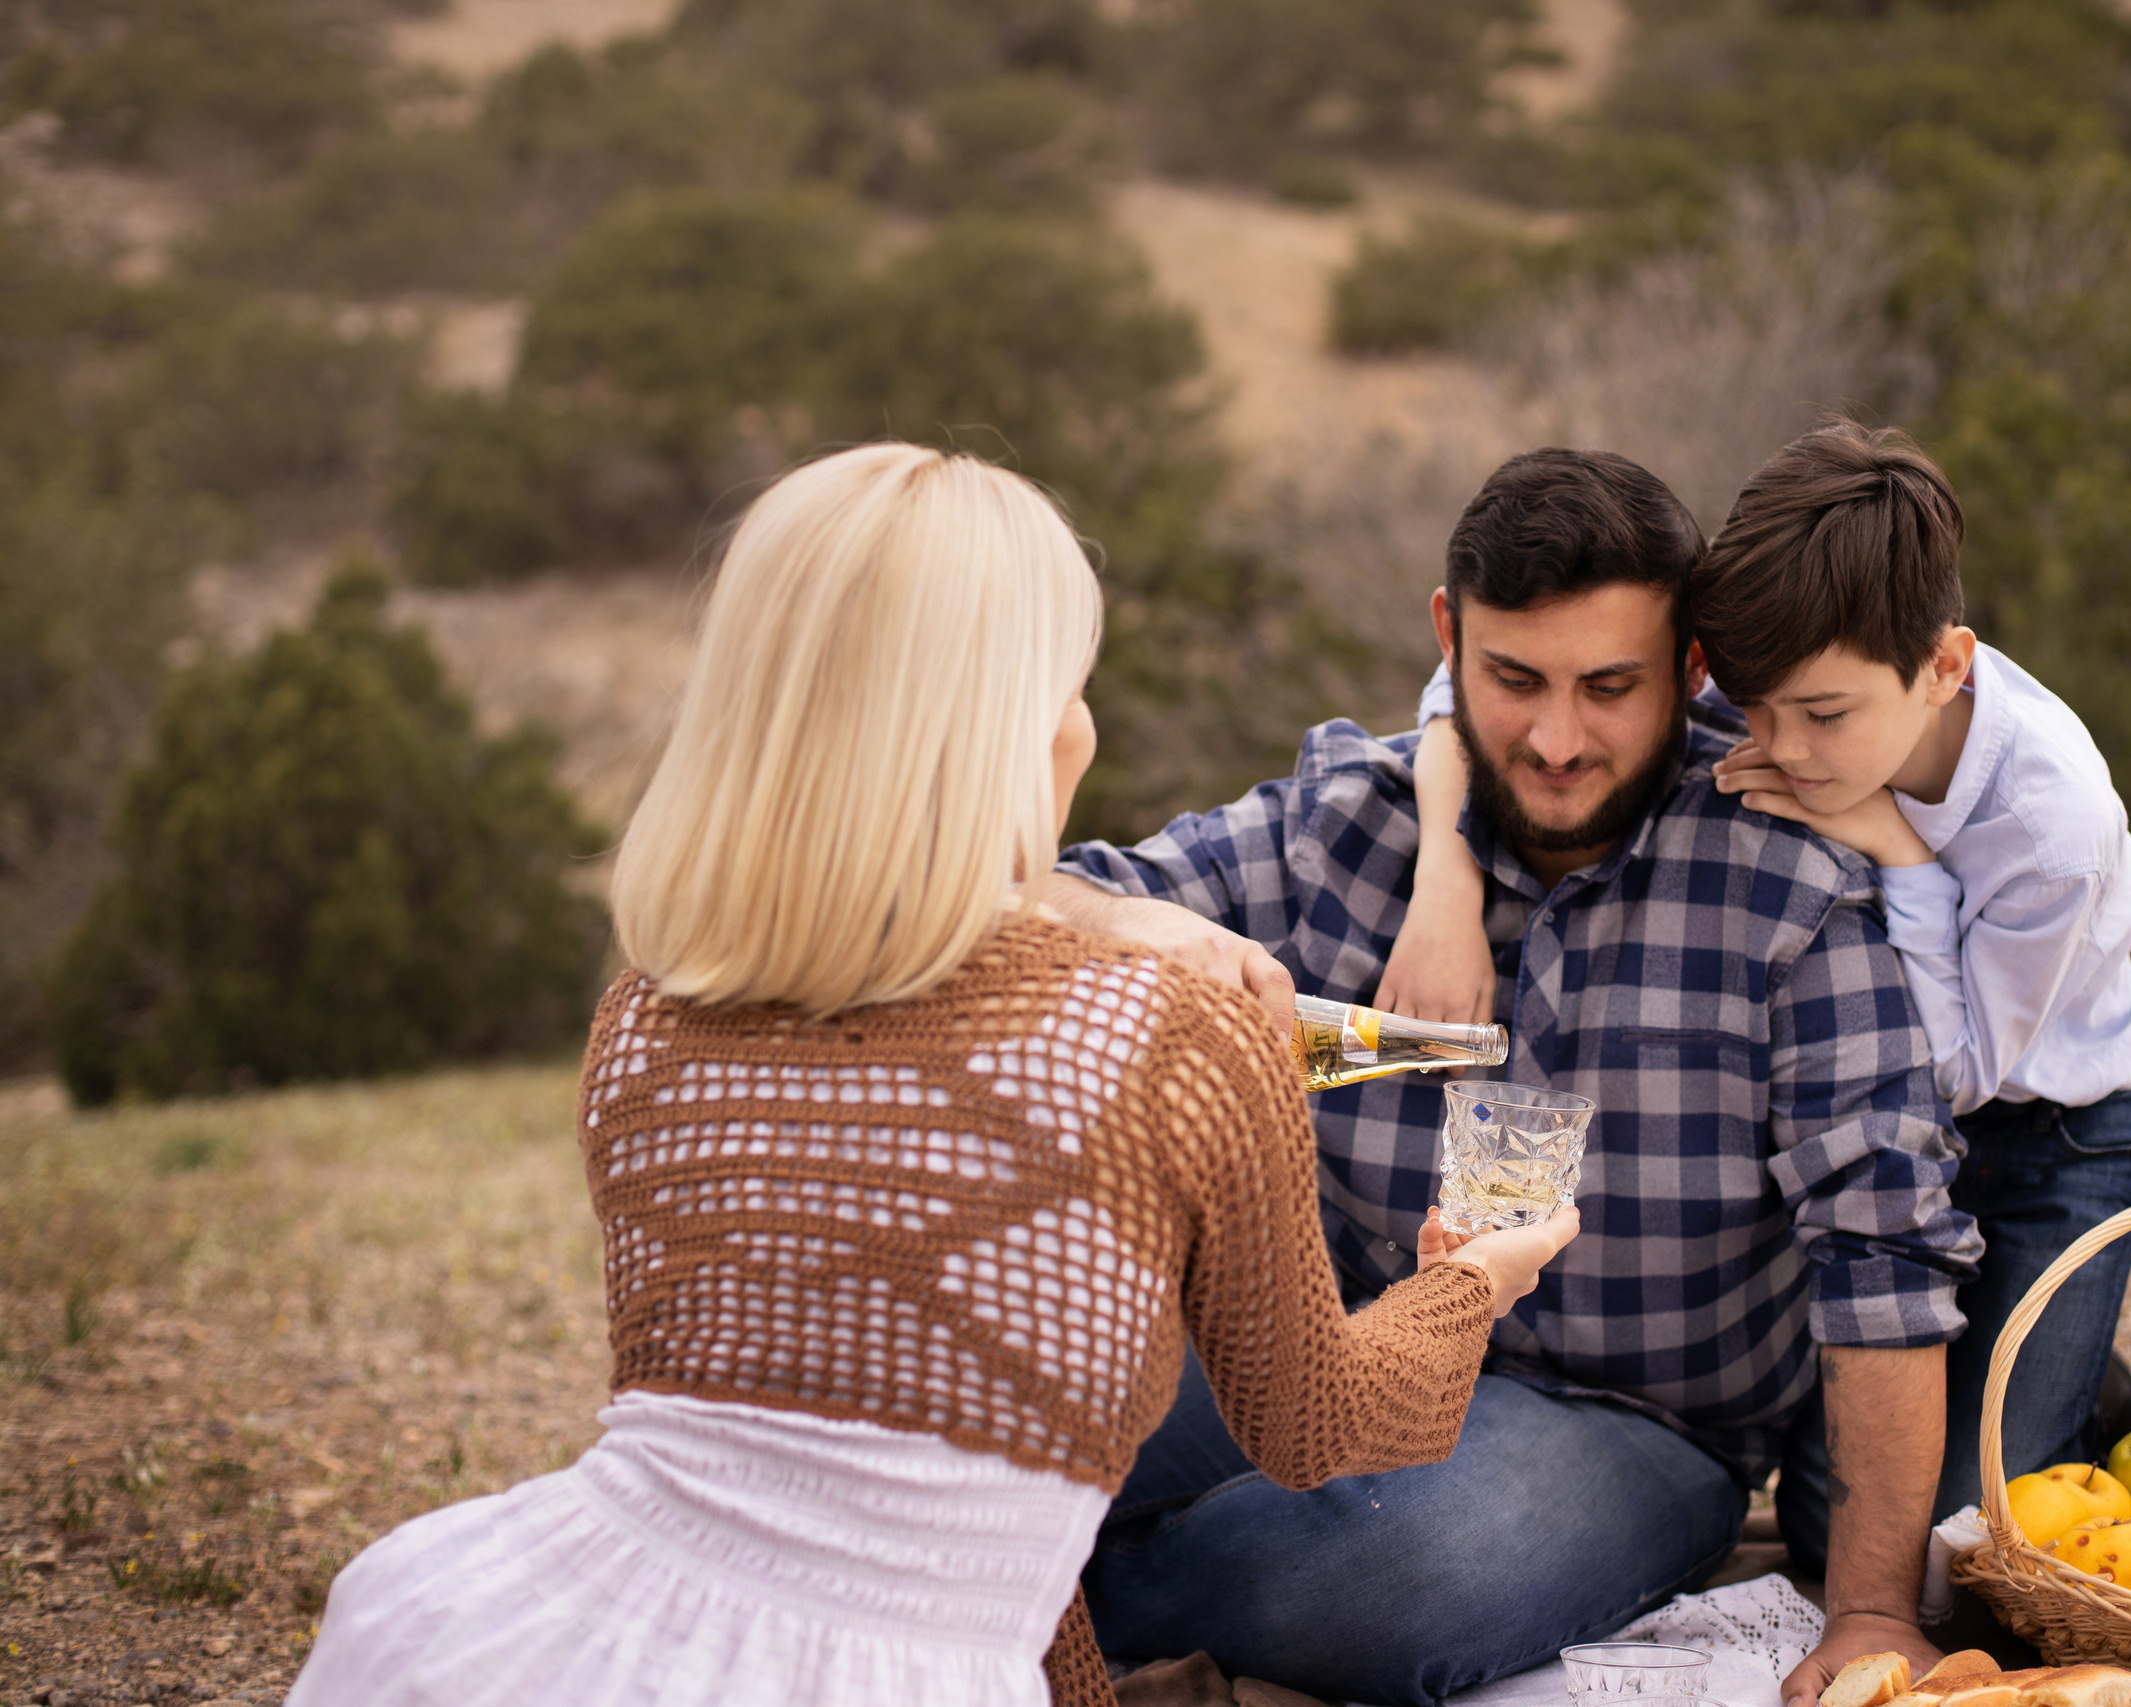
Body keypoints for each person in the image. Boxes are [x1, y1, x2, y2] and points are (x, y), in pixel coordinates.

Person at [285, 444, 1578, 1707]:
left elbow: (902, 1481)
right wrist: (1468, 1280)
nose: (1086, 718)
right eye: (1072, 680)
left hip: (528, 1621)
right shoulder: (1180, 1040)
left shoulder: (641, 1026)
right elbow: (1317, 1426)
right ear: (1021, 727)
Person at [1048, 447, 1981, 1707]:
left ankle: (1054, 1598)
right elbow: (1021, 899)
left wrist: (1870, 1608)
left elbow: (1882, 1256)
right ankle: (1051, 1570)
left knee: (1401, 1567)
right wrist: (1142, 927)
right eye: (1511, 680)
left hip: (1628, 1422)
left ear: (1691, 668)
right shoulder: (1347, 822)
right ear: (1448, 637)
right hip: (1331, 1342)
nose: (1555, 738)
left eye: (1610, 687)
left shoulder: (1793, 880)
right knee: (1029, 1358)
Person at [1393, 423, 2131, 1522]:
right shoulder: (1791, 677)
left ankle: (2074, 1391)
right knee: (1818, 1508)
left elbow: (1950, 1074)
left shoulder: (2051, 831)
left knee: (1967, 1533)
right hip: (1884, 1121)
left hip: (2044, 1127)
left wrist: (1897, 848)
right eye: (1752, 707)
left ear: (1945, 666)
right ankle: (2033, 1374)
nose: (1782, 747)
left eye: (1821, 717)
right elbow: (1451, 687)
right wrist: (1446, 876)